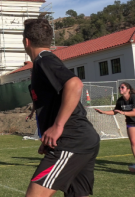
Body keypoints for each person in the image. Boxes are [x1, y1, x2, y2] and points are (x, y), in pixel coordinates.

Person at [23, 19, 100, 197]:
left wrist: (57, 127)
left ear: (26, 41)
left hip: (71, 141)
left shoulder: (44, 60)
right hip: (81, 139)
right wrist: (47, 137)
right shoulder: (42, 64)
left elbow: (74, 84)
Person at [95, 82, 135, 172]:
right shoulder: (120, 100)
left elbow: (134, 113)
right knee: (133, 142)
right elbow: (115, 111)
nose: (120, 89)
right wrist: (103, 112)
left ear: (128, 90)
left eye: (122, 87)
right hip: (131, 123)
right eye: (119, 87)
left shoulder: (134, 98)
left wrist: (123, 112)